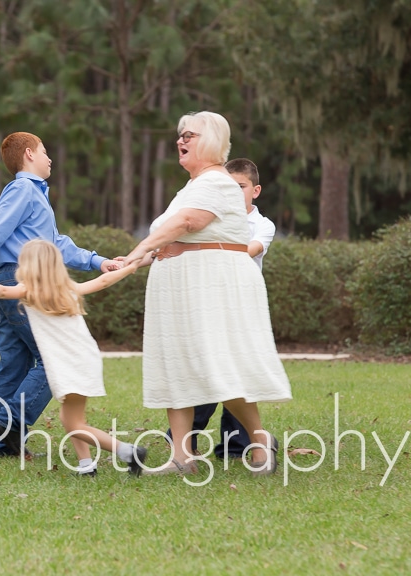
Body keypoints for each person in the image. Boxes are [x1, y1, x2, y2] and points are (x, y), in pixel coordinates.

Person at [121, 112, 291, 476]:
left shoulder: (217, 181)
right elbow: (177, 238)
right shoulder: (192, 186)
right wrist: (138, 259)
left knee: (219, 368)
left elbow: (187, 224)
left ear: (211, 140)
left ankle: (260, 442)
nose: (180, 140)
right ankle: (182, 458)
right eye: (179, 135)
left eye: (189, 135)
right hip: (179, 289)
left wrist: (138, 250)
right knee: (177, 369)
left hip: (212, 289)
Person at [0, 131, 120, 458]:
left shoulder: (35, 195)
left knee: (15, 361)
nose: (50, 158)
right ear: (29, 154)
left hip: (9, 280)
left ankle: (2, 446)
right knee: (53, 357)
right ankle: (9, 419)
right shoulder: (23, 189)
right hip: (23, 279)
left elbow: (56, 244)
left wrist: (99, 262)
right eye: (45, 151)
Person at [0, 239, 147, 476]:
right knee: (71, 419)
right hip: (84, 359)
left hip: (67, 363)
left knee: (75, 422)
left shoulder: (29, 291)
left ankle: (128, 452)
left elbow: (2, 290)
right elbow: (104, 280)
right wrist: (132, 266)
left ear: (27, 266)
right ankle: (86, 466)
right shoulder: (68, 289)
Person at [180, 158, 279, 460]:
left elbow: (247, 251)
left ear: (256, 190)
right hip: (207, 303)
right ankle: (184, 442)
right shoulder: (211, 216)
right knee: (205, 371)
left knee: (236, 375)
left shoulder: (262, 226)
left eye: (241, 187)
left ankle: (235, 446)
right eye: (229, 188)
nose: (235, 194)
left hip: (241, 308)